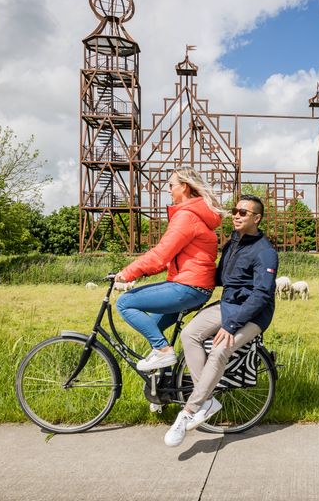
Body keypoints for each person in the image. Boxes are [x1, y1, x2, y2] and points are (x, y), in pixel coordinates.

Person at [164, 194, 278, 447]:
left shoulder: (265, 253)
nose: (236, 215)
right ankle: (206, 401)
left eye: (243, 212)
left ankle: (188, 412)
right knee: (189, 334)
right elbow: (218, 277)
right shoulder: (233, 242)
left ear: (257, 218)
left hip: (254, 313)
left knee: (219, 349)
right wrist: (184, 282)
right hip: (227, 305)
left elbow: (261, 295)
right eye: (235, 211)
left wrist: (231, 325)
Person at [115, 167, 223, 372]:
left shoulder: (187, 217)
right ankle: (163, 385)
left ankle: (163, 351)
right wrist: (143, 271)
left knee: (124, 302)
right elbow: (169, 259)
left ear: (184, 187)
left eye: (171, 185)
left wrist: (127, 273)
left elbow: (161, 253)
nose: (168, 190)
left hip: (187, 287)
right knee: (154, 328)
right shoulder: (196, 215)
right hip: (197, 287)